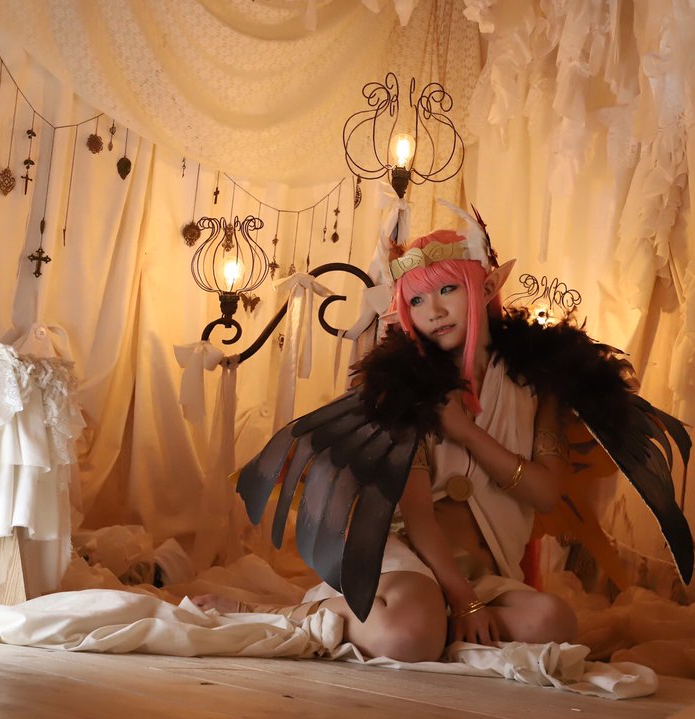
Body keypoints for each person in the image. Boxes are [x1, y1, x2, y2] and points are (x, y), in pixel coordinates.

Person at [194, 226, 579, 662]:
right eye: (416, 300)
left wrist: (467, 432)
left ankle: (427, 626)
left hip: (485, 569)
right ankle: (280, 612)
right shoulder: (402, 385)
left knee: (554, 623)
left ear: (486, 287)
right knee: (406, 636)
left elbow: (546, 495)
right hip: (405, 560)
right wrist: (463, 600)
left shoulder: (535, 385)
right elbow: (418, 517)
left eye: (448, 290)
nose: (434, 311)